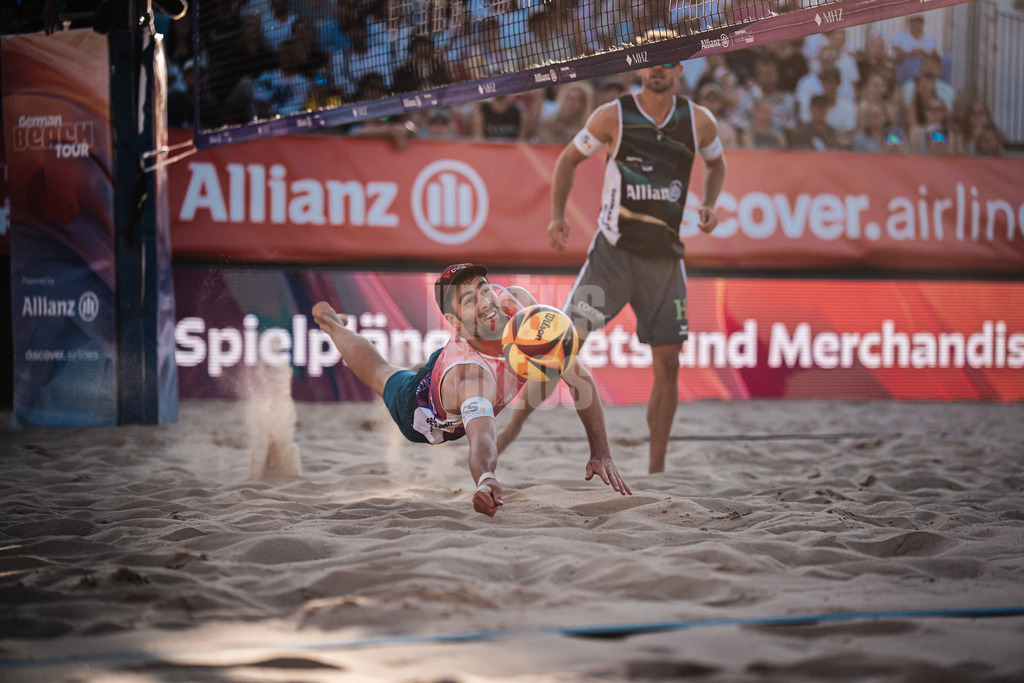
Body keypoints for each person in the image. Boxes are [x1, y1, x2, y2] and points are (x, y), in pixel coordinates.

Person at [500, 50, 727, 475]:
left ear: (679, 69)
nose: (658, 69)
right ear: (641, 67)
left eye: (667, 62)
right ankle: (513, 428)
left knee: (669, 364)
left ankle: (656, 467)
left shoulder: (699, 121)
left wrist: (711, 203)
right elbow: (568, 158)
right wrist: (556, 216)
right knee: (558, 349)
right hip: (612, 257)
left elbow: (717, 163)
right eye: (651, 62)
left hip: (664, 261)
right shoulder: (613, 116)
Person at [311, 264, 632, 517]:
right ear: (453, 320)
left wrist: (600, 452)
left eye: (484, 288)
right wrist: (486, 479)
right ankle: (331, 323)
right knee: (383, 374)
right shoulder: (472, 377)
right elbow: (481, 438)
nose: (486, 301)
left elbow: (578, 378)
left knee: (441, 362)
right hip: (423, 412)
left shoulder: (520, 305)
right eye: (469, 299)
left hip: (460, 353)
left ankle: (434, 363)